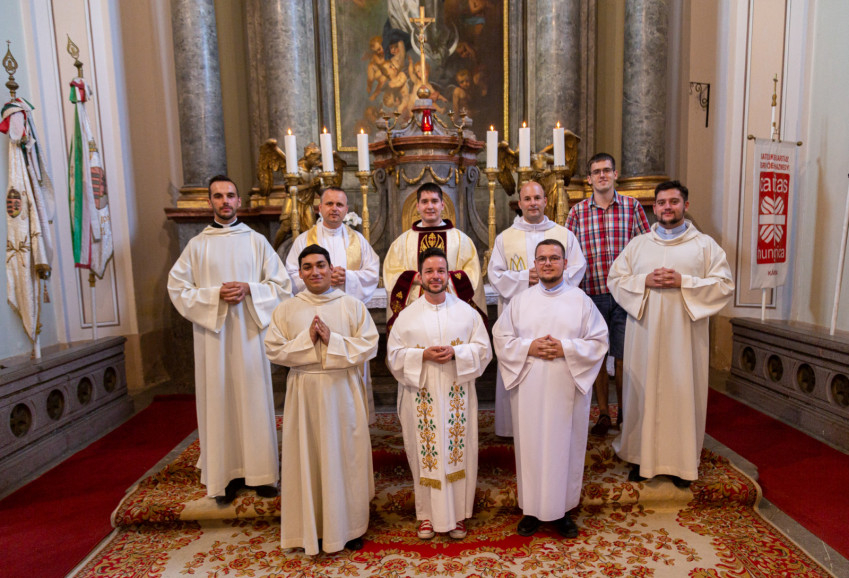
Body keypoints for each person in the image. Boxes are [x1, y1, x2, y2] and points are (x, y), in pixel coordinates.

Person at [168, 175, 292, 505]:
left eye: (231, 195)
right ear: (209, 201)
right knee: (218, 397)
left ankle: (262, 474)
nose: (225, 201)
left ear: (239, 201)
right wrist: (214, 296)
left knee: (253, 397)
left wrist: (250, 288)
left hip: (250, 335)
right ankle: (224, 477)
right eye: (218, 196)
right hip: (214, 338)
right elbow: (178, 289)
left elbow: (282, 286)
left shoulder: (256, 242)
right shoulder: (197, 246)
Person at [607, 180, 734, 488]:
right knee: (643, 394)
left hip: (684, 340)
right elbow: (616, 279)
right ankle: (641, 458)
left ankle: (681, 464)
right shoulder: (638, 245)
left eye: (674, 202)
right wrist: (644, 281)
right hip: (645, 337)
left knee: (681, 392)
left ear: (685, 206)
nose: (667, 207)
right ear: (654, 207)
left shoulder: (705, 246)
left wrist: (683, 282)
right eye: (662, 202)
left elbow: (723, 285)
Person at [265, 244, 379, 555]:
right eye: (307, 267)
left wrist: (333, 340)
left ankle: (350, 527)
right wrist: (308, 340)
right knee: (309, 458)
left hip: (342, 391)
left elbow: (370, 345)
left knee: (345, 458)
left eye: (320, 265)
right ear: (300, 274)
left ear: (331, 269)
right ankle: (311, 528)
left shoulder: (352, 305)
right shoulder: (287, 309)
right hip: (305, 392)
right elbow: (273, 349)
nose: (315, 272)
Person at [493, 239, 608, 538]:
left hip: (566, 386)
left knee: (565, 448)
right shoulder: (521, 301)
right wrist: (529, 347)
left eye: (554, 258)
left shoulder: (581, 301)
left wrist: (565, 349)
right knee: (531, 448)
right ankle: (531, 510)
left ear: (565, 263)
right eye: (542, 258)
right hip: (530, 388)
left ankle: (563, 511)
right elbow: (501, 337)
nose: (547, 263)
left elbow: (599, 341)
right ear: (534, 264)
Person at [387, 247, 492, 540]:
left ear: (448, 275)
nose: (436, 276)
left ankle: (457, 515)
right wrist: (422, 355)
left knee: (459, 452)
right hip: (421, 395)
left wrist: (457, 352)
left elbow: (484, 350)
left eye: (441, 271)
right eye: (430, 271)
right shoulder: (406, 317)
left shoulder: (467, 313)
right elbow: (393, 357)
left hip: (457, 393)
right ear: (420, 277)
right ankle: (426, 516)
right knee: (425, 453)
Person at [487, 180, 586, 437]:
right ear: (519, 203)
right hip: (520, 315)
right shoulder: (505, 238)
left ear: (545, 201)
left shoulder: (564, 234)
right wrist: (524, 278)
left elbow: (577, 268)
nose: (533, 203)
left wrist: (549, 280)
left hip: (558, 313)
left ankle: (556, 422)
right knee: (521, 358)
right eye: (527, 199)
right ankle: (514, 428)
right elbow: (495, 275)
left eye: (537, 198)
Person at [566, 153, 650, 436]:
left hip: (625, 294)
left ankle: (625, 412)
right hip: (591, 293)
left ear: (616, 174)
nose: (601, 175)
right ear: (589, 179)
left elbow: (645, 247)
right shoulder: (577, 212)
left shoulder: (632, 207)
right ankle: (603, 413)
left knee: (625, 356)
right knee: (598, 356)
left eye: (606, 170)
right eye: (596, 172)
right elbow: (569, 254)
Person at [285, 187, 381, 420]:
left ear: (346, 210)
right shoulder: (303, 240)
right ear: (320, 208)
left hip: (347, 316)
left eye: (339, 204)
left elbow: (372, 273)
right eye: (329, 204)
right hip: (313, 313)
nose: (334, 209)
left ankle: (353, 421)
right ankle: (315, 420)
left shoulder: (358, 240)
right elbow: (290, 274)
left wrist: (349, 277)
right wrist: (321, 279)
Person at [383, 182, 486, 332]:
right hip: (414, 316)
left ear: (442, 205)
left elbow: (473, 276)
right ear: (417, 206)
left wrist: (442, 278)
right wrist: (415, 278)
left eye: (434, 201)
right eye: (424, 202)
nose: (430, 206)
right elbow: (391, 275)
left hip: (453, 313)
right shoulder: (401, 243)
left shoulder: (462, 241)